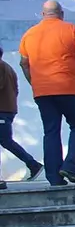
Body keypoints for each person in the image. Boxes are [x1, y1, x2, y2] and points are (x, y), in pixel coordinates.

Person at [17, 0, 75, 185]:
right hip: (68, 88)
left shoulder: (29, 34)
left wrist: (35, 83)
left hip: (42, 92)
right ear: (61, 13)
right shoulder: (72, 29)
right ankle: (69, 166)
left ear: (42, 14)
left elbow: (23, 63)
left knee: (51, 131)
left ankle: (54, 178)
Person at [0, 44, 43, 187]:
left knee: (6, 141)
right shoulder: (7, 67)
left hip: (2, 110)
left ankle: (33, 164)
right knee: (6, 141)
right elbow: (15, 90)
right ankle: (33, 164)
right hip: (7, 109)